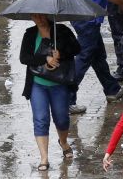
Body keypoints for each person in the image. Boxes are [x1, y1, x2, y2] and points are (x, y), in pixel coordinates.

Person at [20, 14, 81, 171]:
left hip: (59, 83)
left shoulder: (61, 30)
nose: (39, 18)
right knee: (40, 119)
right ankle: (44, 158)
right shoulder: (30, 34)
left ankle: (64, 142)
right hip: (37, 84)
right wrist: (44, 58)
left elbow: (76, 48)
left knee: (61, 118)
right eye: (35, 16)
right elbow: (24, 58)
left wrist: (61, 53)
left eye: (41, 15)